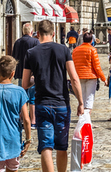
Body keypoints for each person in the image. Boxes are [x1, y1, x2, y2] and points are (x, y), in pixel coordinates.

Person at [22, 19, 84, 172]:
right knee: (61, 146)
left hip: (42, 104)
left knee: (46, 146)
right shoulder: (63, 50)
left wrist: (36, 78)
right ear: (54, 33)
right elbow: (74, 78)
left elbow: (24, 84)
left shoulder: (31, 53)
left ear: (37, 34)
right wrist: (81, 102)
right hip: (61, 104)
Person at [0, 55, 31, 172]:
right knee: (12, 168)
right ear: (13, 74)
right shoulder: (20, 92)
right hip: (13, 139)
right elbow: (26, 119)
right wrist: (28, 140)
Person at [12, 23, 40, 129]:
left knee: (22, 98)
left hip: (20, 73)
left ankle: (23, 119)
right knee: (32, 98)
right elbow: (38, 57)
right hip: (32, 73)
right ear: (31, 31)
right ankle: (33, 121)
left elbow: (14, 57)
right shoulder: (35, 41)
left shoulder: (17, 42)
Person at [72, 31, 108, 113]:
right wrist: (103, 79)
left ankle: (82, 118)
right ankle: (87, 120)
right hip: (91, 77)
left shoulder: (75, 50)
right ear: (92, 40)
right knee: (89, 98)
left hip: (79, 76)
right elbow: (97, 67)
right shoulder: (92, 50)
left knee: (82, 98)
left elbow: (73, 64)